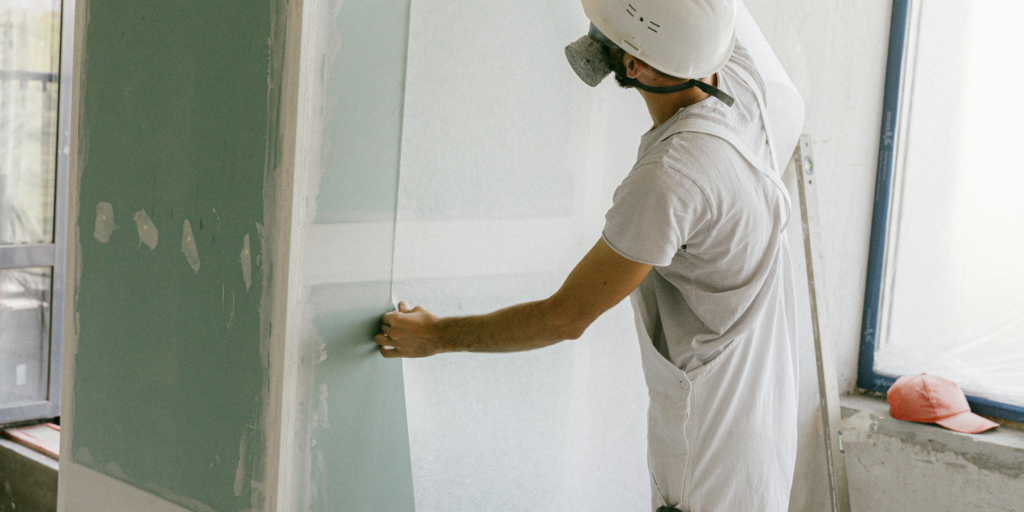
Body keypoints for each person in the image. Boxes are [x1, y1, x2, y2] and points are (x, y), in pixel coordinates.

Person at [376, 1, 803, 510]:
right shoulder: (747, 82)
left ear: (634, 66)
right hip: (766, 417)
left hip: (710, 457)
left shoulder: (673, 177)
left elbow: (564, 318)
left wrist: (436, 335)